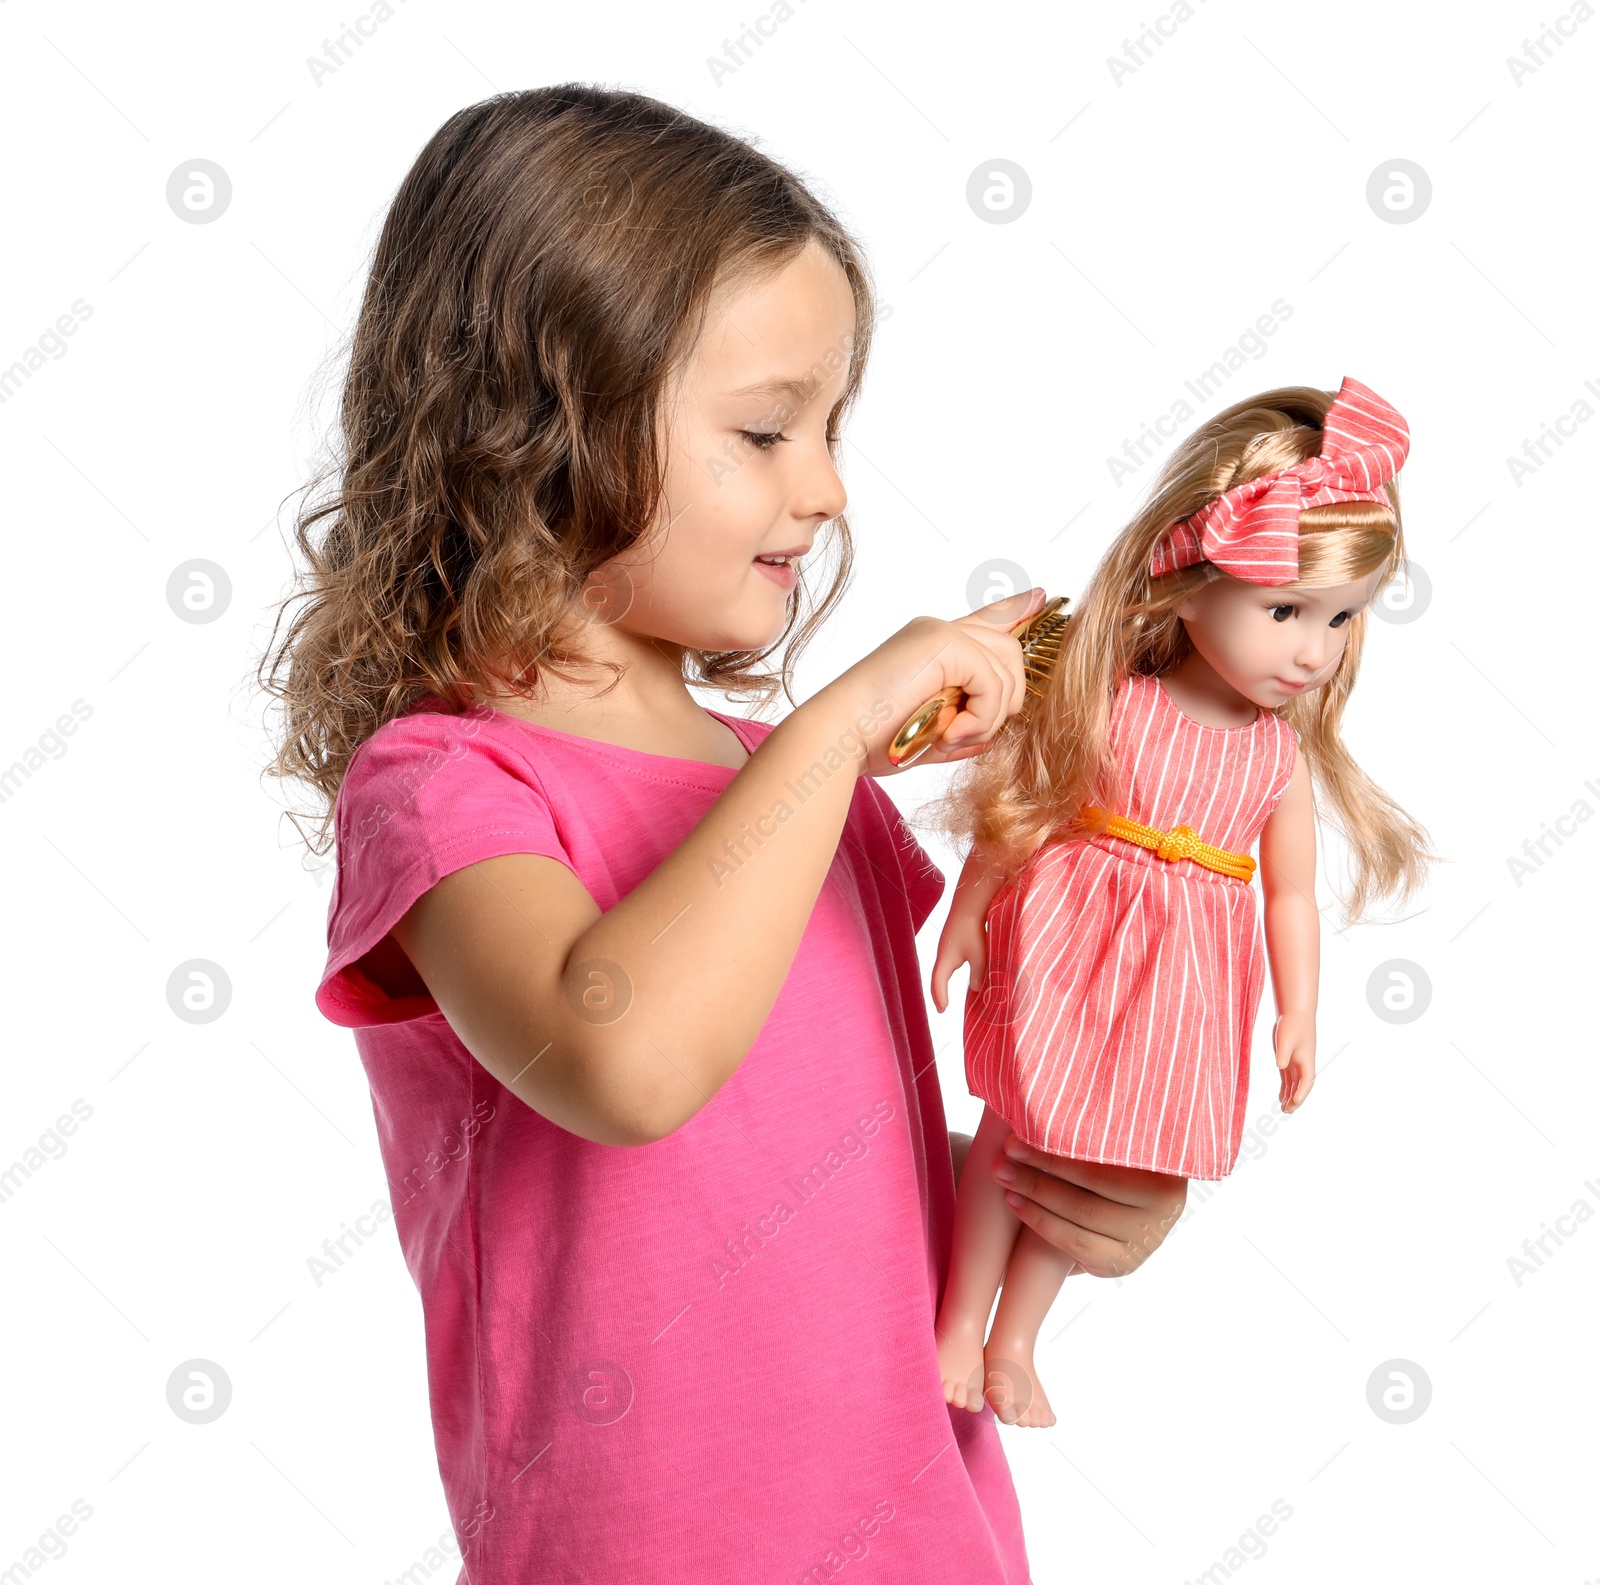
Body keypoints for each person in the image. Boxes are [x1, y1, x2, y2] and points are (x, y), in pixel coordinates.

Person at [261, 84, 1186, 1583]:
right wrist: (832, 733)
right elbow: (624, 1060)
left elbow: (837, 1180)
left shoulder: (794, 787)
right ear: (534, 426)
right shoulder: (441, 786)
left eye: (829, 429)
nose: (821, 489)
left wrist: (1058, 1187)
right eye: (764, 430)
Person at [927, 379, 1434, 1428]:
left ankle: (1016, 1340)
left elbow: (1288, 893)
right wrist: (968, 909)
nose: (1312, 649)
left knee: (1102, 1156)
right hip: (1071, 938)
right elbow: (1024, 803)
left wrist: (1298, 1012)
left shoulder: (1274, 757)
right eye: (1285, 611)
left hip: (1186, 980)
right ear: (1186, 582)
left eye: (1338, 619)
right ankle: (954, 1327)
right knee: (1014, 1128)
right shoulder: (1116, 702)